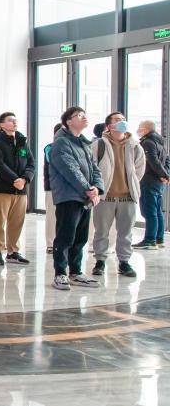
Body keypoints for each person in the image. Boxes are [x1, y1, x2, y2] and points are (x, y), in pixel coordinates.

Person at [49, 106, 103, 290]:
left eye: (84, 114)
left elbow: (95, 169)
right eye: (79, 115)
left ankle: (76, 272)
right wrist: (88, 189)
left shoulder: (84, 143)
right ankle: (60, 274)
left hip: (84, 197)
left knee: (81, 237)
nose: (84, 117)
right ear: (68, 121)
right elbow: (70, 169)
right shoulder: (61, 143)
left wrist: (97, 188)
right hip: (69, 196)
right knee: (65, 237)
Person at [91, 112, 145, 278]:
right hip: (105, 197)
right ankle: (100, 261)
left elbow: (139, 169)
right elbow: (92, 167)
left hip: (127, 197)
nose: (122, 122)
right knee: (101, 231)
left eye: (123, 119)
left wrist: (131, 184)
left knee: (126, 232)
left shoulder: (134, 146)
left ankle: (124, 262)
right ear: (109, 126)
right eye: (117, 120)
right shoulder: (99, 144)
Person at [0, 112, 35, 266]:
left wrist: (25, 179)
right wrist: (15, 179)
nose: (14, 122)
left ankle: (13, 251)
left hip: (21, 190)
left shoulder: (21, 141)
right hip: (2, 188)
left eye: (15, 120)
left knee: (17, 221)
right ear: (1, 124)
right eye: (10, 120)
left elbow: (31, 163)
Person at [136, 120, 168, 249]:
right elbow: (167, 160)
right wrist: (165, 175)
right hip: (159, 182)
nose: (138, 130)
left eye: (140, 127)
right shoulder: (161, 142)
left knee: (149, 211)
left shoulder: (147, 142)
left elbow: (152, 161)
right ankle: (159, 239)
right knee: (157, 211)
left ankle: (150, 240)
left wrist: (163, 174)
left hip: (148, 180)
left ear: (145, 129)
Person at [42, 123, 62, 254]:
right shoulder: (50, 148)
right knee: (52, 216)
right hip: (53, 187)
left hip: (69, 189)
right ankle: (51, 243)